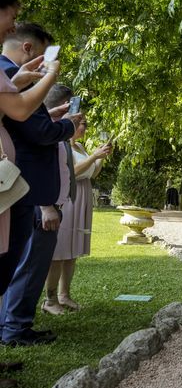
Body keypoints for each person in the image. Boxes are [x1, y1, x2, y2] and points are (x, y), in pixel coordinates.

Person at [0, 24, 80, 347]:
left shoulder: (12, 75)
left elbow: (35, 120)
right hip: (24, 187)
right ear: (30, 49)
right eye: (10, 17)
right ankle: (15, 328)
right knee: (23, 265)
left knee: (21, 263)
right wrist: (64, 126)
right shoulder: (7, 74)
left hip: (25, 186)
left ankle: (18, 326)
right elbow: (37, 131)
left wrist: (53, 117)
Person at [0, 0, 61, 388]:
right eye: (11, 15)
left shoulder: (7, 70)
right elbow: (20, 112)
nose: (12, 25)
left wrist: (21, 78)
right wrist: (51, 73)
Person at [43, 105, 112, 314]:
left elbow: (90, 174)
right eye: (82, 123)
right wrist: (93, 157)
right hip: (69, 196)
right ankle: (50, 299)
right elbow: (70, 172)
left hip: (83, 194)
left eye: (85, 124)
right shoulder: (61, 145)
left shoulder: (81, 147)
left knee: (72, 250)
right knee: (60, 249)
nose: (84, 127)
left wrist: (99, 158)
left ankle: (65, 294)